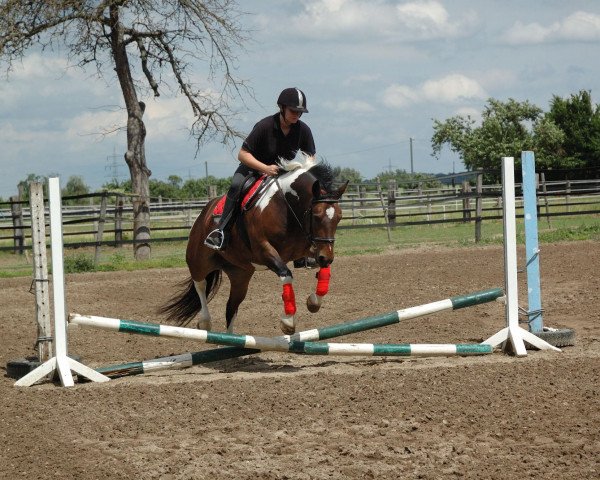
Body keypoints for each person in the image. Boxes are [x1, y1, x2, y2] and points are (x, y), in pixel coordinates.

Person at [204, 87, 316, 256]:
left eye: (300, 112)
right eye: (293, 111)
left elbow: (311, 157)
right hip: (253, 169)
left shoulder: (304, 130)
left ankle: (303, 242)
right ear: (282, 108)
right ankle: (221, 232)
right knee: (235, 186)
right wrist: (265, 168)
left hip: (282, 173)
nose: (296, 115)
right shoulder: (265, 126)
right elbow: (242, 154)